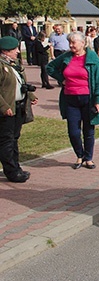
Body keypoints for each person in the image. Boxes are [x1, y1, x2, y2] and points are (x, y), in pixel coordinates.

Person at [47, 31, 99, 169]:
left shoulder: (92, 58)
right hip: (70, 99)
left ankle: (89, 158)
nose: (71, 45)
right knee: (73, 131)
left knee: (88, 130)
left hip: (88, 99)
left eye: (74, 42)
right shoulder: (66, 57)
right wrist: (61, 79)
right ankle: (79, 155)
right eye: (70, 42)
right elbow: (50, 67)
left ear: (83, 43)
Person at [0, 36, 37, 183]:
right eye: (14, 49)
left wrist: (31, 95)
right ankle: (12, 171)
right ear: (5, 51)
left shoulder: (13, 64)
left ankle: (15, 166)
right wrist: (4, 107)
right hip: (7, 110)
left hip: (18, 107)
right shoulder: (1, 66)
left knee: (14, 139)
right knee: (6, 141)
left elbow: (21, 82)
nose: (17, 51)